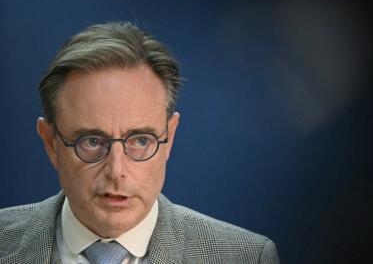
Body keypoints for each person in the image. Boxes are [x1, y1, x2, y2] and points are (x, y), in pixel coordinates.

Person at [0, 22, 279, 263]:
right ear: (51, 143)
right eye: (92, 141)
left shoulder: (246, 257)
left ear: (169, 138)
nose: (116, 171)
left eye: (141, 140)